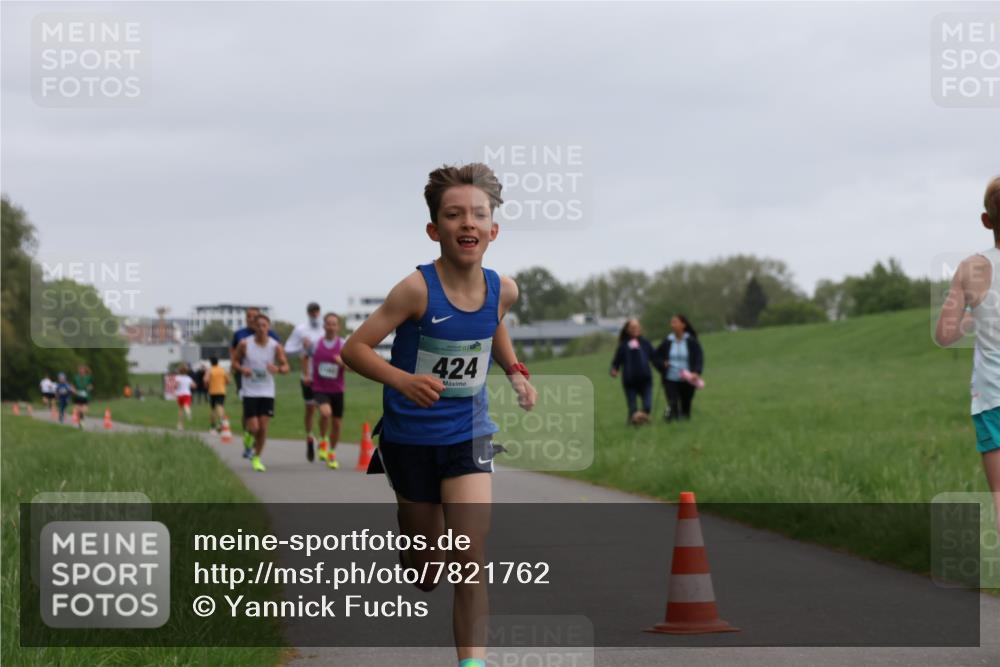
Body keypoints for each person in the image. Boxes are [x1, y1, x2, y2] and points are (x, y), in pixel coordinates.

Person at [341, 162, 536, 667]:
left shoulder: (504, 289)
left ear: (493, 230)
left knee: (470, 557)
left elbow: (491, 326)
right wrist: (402, 380)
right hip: (410, 440)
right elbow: (355, 349)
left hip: (469, 434)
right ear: (435, 229)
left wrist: (514, 370)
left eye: (478, 215)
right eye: (454, 215)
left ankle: (472, 663)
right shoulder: (415, 290)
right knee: (427, 570)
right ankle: (413, 539)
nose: (467, 223)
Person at [935, 175, 1000, 533]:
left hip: (992, 400)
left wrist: (974, 319)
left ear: (986, 221)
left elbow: (944, 335)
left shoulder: (971, 269)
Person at [233, 313, 290, 472]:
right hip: (250, 391)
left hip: (267, 392)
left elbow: (286, 367)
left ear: (268, 327)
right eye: (258, 325)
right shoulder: (245, 344)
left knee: (263, 428)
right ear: (254, 327)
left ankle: (257, 458)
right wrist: (242, 369)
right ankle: (248, 437)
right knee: (254, 427)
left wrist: (278, 369)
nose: (261, 328)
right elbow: (234, 362)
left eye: (264, 325)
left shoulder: (275, 346)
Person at [231, 306, 281, 450]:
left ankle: (254, 446)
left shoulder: (272, 337)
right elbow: (234, 354)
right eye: (249, 316)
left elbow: (280, 357)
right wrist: (239, 369)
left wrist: (276, 367)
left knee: (262, 425)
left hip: (265, 383)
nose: (251, 319)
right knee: (249, 413)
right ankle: (248, 430)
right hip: (245, 377)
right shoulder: (240, 335)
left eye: (254, 316)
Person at [284, 302, 325, 461]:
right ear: (308, 313)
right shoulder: (301, 330)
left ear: (319, 312)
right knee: (310, 410)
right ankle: (309, 437)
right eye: (311, 312)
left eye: (316, 311)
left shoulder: (325, 328)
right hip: (307, 377)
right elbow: (288, 349)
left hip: (324, 377)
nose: (314, 314)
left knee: (324, 410)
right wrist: (302, 345)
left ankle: (323, 440)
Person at [308, 312, 348, 468]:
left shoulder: (343, 345)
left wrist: (342, 363)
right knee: (326, 413)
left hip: (337, 389)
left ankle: (331, 452)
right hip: (319, 388)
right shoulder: (316, 343)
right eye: (328, 323)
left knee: (337, 424)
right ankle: (323, 439)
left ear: (338, 327)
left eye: (334, 324)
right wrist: (306, 373)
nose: (331, 326)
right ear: (324, 326)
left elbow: (352, 367)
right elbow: (305, 356)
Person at [654, 314, 704, 422]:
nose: (672, 325)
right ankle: (670, 418)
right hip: (670, 378)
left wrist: (696, 371)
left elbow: (698, 357)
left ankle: (684, 422)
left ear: (683, 325)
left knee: (686, 404)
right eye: (671, 322)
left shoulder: (691, 341)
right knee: (673, 402)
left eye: (675, 322)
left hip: (688, 378)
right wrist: (663, 363)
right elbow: (656, 356)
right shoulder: (667, 341)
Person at [610, 318, 657, 425]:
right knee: (633, 408)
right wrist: (614, 370)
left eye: (637, 326)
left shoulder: (645, 343)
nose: (635, 329)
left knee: (647, 406)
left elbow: (655, 357)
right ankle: (633, 424)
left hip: (645, 380)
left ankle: (639, 420)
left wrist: (664, 365)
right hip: (630, 382)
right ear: (627, 330)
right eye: (632, 327)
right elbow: (615, 362)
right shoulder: (623, 346)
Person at [205, 356, 229, 432]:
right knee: (220, 405)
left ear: (211, 363)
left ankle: (213, 427)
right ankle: (222, 421)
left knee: (213, 409)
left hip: (213, 391)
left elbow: (205, 380)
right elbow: (228, 380)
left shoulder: (210, 370)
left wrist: (207, 386)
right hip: (222, 391)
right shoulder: (222, 370)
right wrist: (223, 384)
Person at [173, 363, 195, 430]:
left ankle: (180, 425)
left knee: (180, 410)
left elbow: (175, 386)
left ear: (179, 371)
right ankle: (188, 412)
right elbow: (194, 385)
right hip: (187, 394)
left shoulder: (177, 377)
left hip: (180, 395)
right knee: (186, 405)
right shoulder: (188, 378)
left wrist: (175, 391)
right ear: (186, 371)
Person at [71, 364, 93, 428]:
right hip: (77, 395)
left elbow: (91, 385)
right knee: (77, 410)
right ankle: (80, 421)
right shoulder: (75, 377)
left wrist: (89, 388)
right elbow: (72, 385)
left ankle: (81, 420)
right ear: (78, 370)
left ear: (85, 370)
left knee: (83, 410)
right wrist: (73, 390)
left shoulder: (88, 377)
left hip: (86, 396)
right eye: (80, 369)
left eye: (82, 369)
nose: (81, 371)